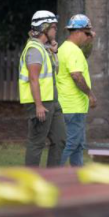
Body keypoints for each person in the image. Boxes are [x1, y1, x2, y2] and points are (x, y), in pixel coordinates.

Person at [19, 10, 66, 167]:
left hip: (53, 101)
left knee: (60, 139)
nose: (55, 30)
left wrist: (54, 52)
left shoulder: (44, 49)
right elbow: (33, 79)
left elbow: (53, 72)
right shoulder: (34, 50)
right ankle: (30, 181)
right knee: (37, 143)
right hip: (41, 103)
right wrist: (38, 105)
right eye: (53, 27)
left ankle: (53, 177)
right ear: (44, 28)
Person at [56, 14, 96, 166]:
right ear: (78, 32)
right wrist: (90, 95)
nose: (88, 37)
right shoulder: (73, 51)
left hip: (70, 106)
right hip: (73, 107)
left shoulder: (64, 49)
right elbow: (76, 76)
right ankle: (52, 174)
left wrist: (90, 40)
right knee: (70, 144)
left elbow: (85, 54)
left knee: (78, 146)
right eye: (87, 33)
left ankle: (77, 176)